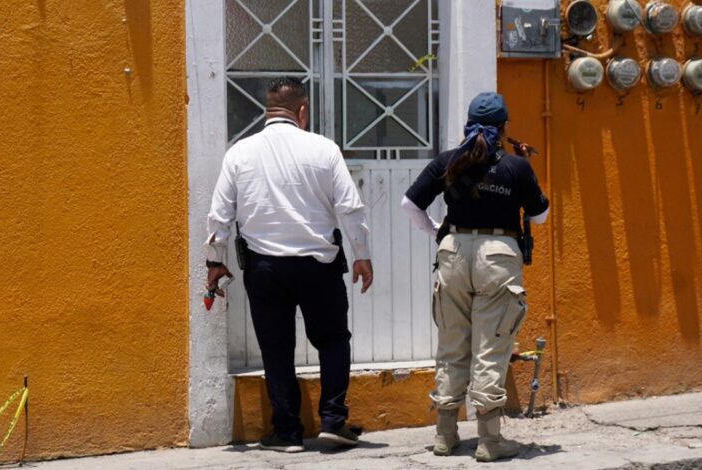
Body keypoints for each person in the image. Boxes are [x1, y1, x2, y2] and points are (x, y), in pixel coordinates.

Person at [205, 77, 373, 453]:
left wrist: (215, 262)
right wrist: (362, 254)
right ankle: (332, 421)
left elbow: (219, 215)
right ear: (302, 111)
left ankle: (287, 433)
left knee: (276, 349)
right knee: (332, 340)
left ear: (268, 109)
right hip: (319, 265)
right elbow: (350, 207)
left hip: (264, 268)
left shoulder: (239, 153)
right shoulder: (324, 149)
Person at [401, 92, 549, 461]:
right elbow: (539, 215)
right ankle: (489, 440)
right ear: (504, 128)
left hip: (452, 253)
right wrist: (524, 168)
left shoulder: (448, 161)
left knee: (451, 346)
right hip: (498, 257)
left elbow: (410, 204)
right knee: (490, 349)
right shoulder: (516, 167)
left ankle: (445, 436)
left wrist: (438, 230)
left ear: (467, 123)